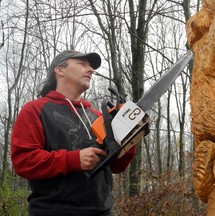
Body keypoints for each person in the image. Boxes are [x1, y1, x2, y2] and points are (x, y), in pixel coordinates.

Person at [11, 50, 136, 216]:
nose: (90, 69)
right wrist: (73, 160)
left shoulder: (97, 116)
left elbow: (116, 165)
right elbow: (23, 161)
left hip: (103, 211)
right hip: (53, 211)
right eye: (82, 64)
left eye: (91, 67)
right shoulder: (35, 109)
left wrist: (130, 137)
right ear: (60, 70)